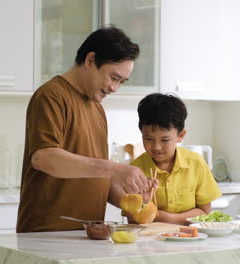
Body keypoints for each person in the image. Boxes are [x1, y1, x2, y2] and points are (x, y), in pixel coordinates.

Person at [16, 26, 157, 233]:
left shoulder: (97, 108)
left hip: (86, 233)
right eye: (113, 77)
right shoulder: (51, 96)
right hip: (47, 233)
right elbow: (44, 158)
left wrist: (134, 202)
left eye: (121, 82)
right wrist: (116, 169)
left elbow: (96, 178)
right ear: (90, 60)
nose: (114, 88)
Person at [129, 93, 222, 225]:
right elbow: (131, 219)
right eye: (148, 139)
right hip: (150, 243)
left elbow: (205, 211)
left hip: (190, 240)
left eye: (165, 140)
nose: (156, 147)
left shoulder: (196, 163)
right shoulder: (135, 170)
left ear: (181, 135)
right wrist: (144, 202)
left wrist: (169, 219)